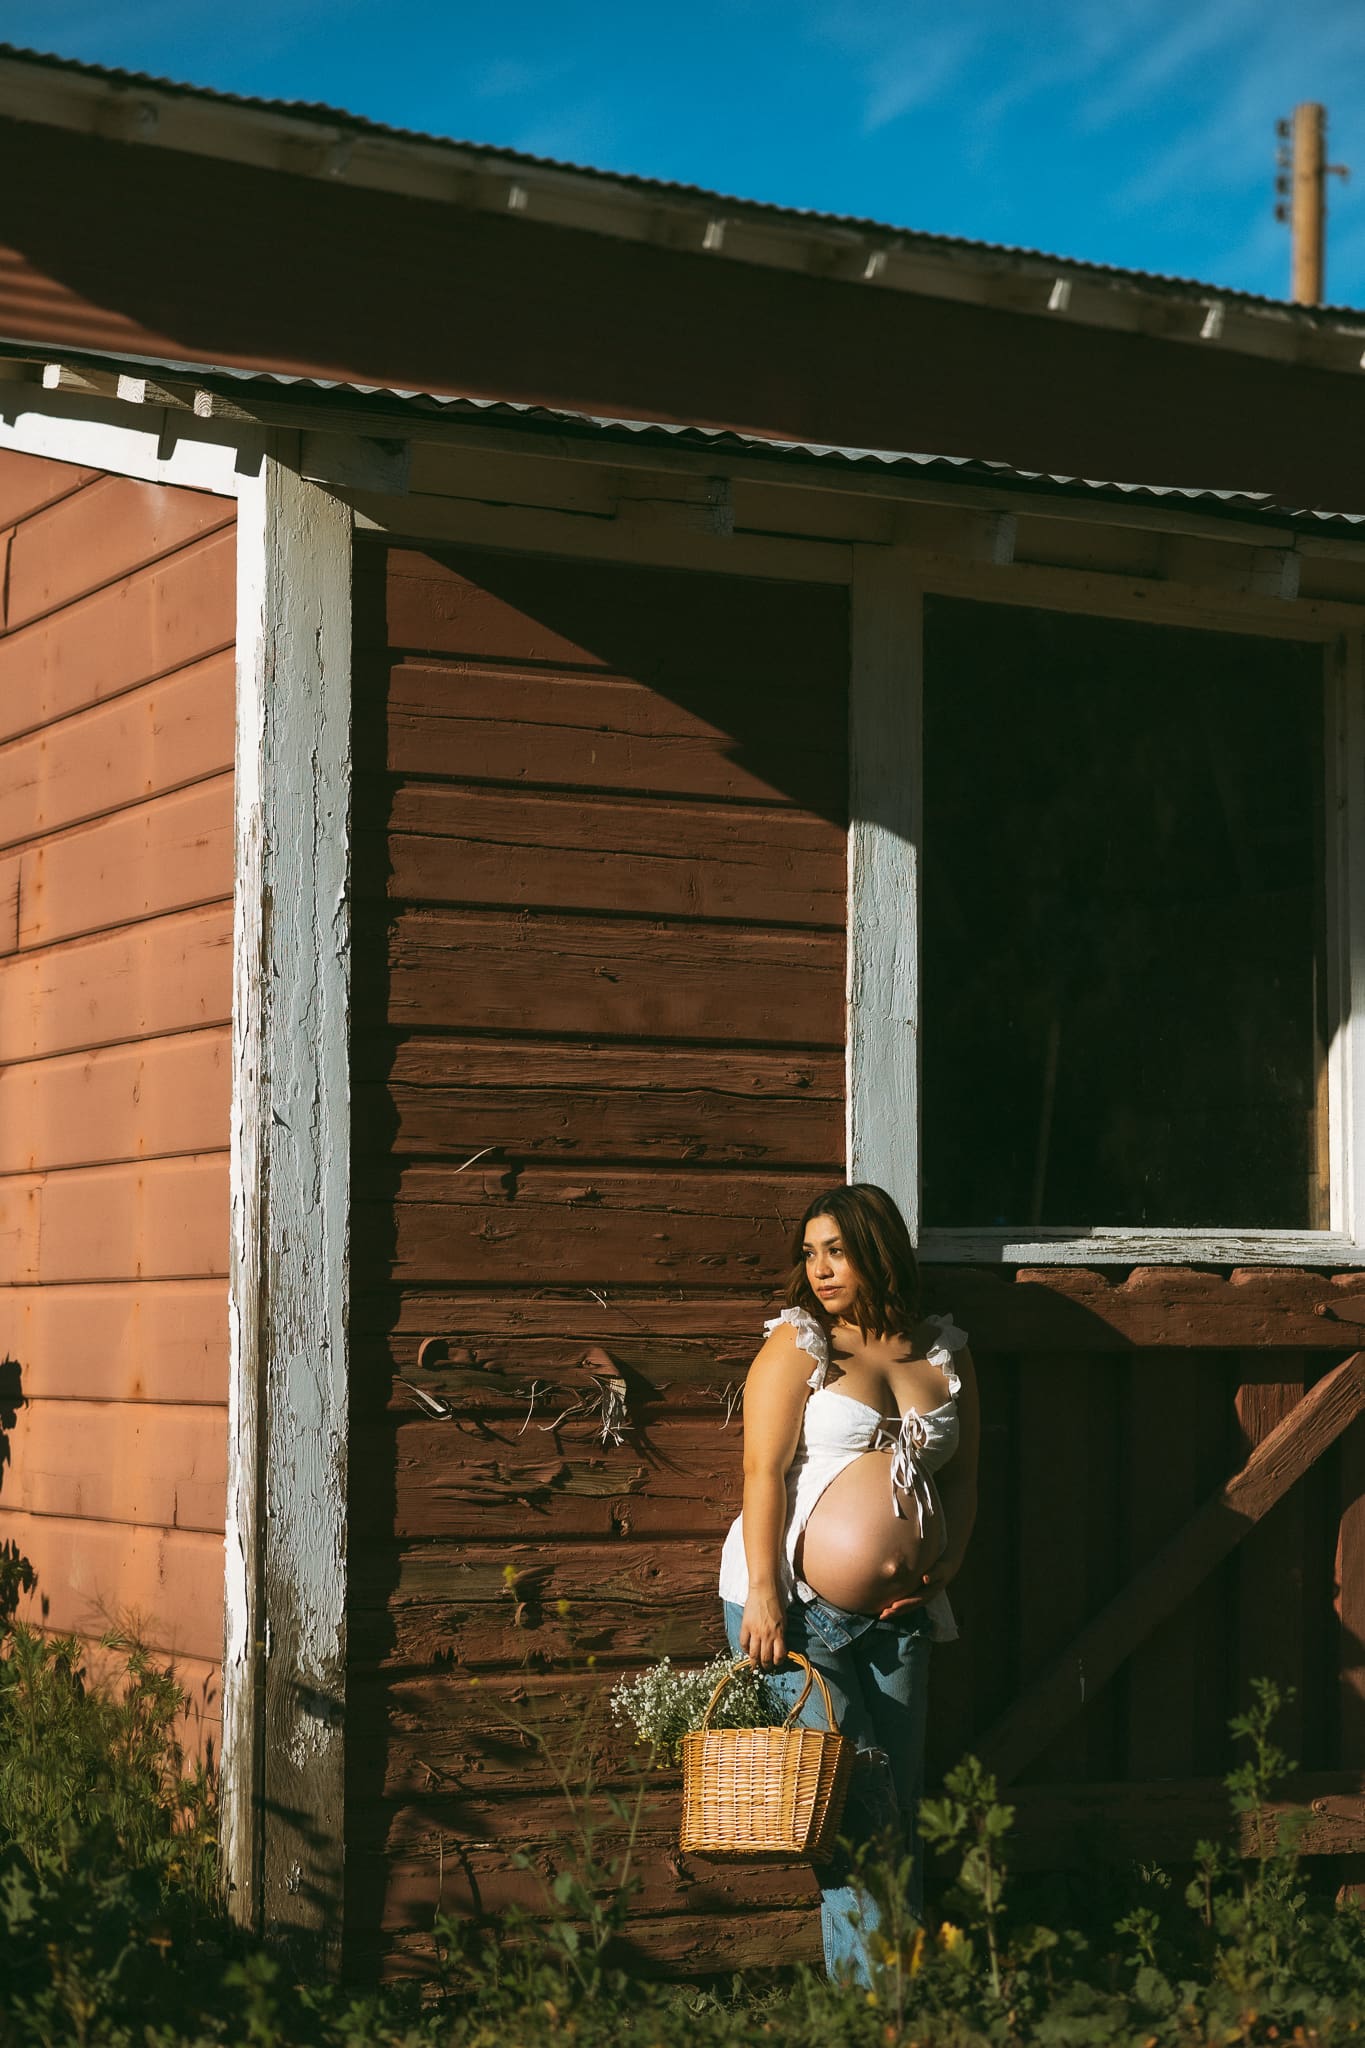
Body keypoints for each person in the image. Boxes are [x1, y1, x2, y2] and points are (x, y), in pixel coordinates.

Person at [717, 1182, 980, 1984]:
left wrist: (944, 1567)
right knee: (852, 1815)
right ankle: (880, 2008)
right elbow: (760, 1472)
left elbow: (965, 1480)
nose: (820, 1269)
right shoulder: (802, 1342)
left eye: (836, 1250)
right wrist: (765, 1593)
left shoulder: (941, 1350)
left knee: (894, 1805)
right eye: (809, 1253)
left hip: (902, 1615)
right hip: (795, 1613)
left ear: (877, 1249)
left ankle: (895, 1999)